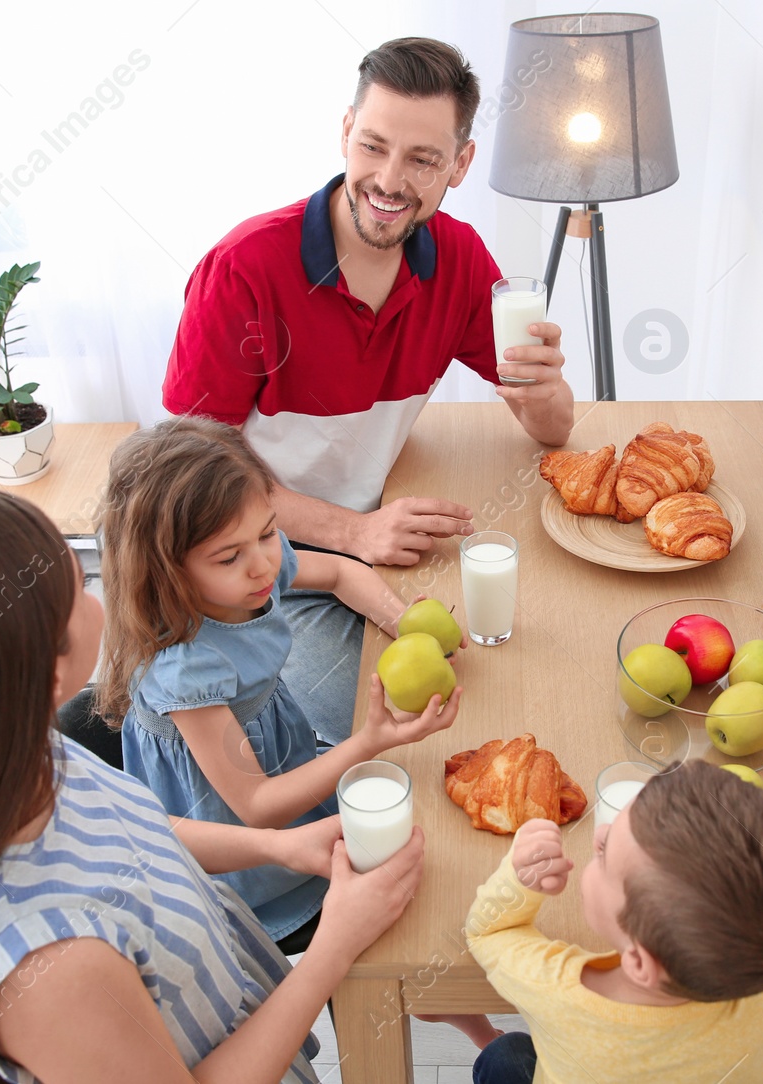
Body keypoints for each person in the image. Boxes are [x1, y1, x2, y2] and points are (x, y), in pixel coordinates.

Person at [0, 487, 425, 1084]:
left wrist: (275, 848)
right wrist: (332, 950)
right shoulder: (48, 967)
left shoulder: (20, 753)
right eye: (79, 586)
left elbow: (125, 828)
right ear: (48, 666)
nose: (101, 591)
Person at [161, 37, 575, 748]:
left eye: (421, 160)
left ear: (460, 165)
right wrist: (353, 536)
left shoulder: (463, 261)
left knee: (510, 672)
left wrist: (542, 390)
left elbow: (555, 432)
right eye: (374, 145)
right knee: (369, 727)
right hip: (251, 548)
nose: (388, 180)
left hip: (370, 534)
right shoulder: (244, 270)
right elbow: (185, 481)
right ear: (346, 131)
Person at [92, 416, 458, 947]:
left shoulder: (249, 566)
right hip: (239, 834)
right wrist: (371, 740)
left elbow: (339, 573)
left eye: (267, 532)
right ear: (167, 569)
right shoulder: (187, 668)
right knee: (386, 917)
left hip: (280, 756)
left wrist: (405, 627)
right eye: (230, 556)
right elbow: (258, 808)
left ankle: (464, 1022)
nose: (265, 564)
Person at [465, 762, 763, 1084]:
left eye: (607, 855)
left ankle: (486, 1038)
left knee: (505, 1057)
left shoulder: (556, 990)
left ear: (642, 963)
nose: (600, 832)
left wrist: (520, 881)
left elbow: (488, 932)